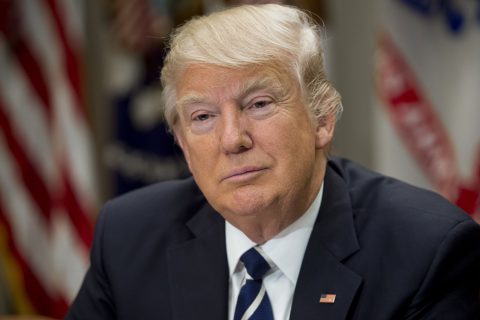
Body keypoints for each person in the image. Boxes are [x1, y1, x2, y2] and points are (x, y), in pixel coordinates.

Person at [66, 4, 480, 320]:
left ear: (322, 118)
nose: (232, 140)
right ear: (182, 145)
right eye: (203, 117)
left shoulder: (427, 252)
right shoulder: (128, 237)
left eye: (259, 104)